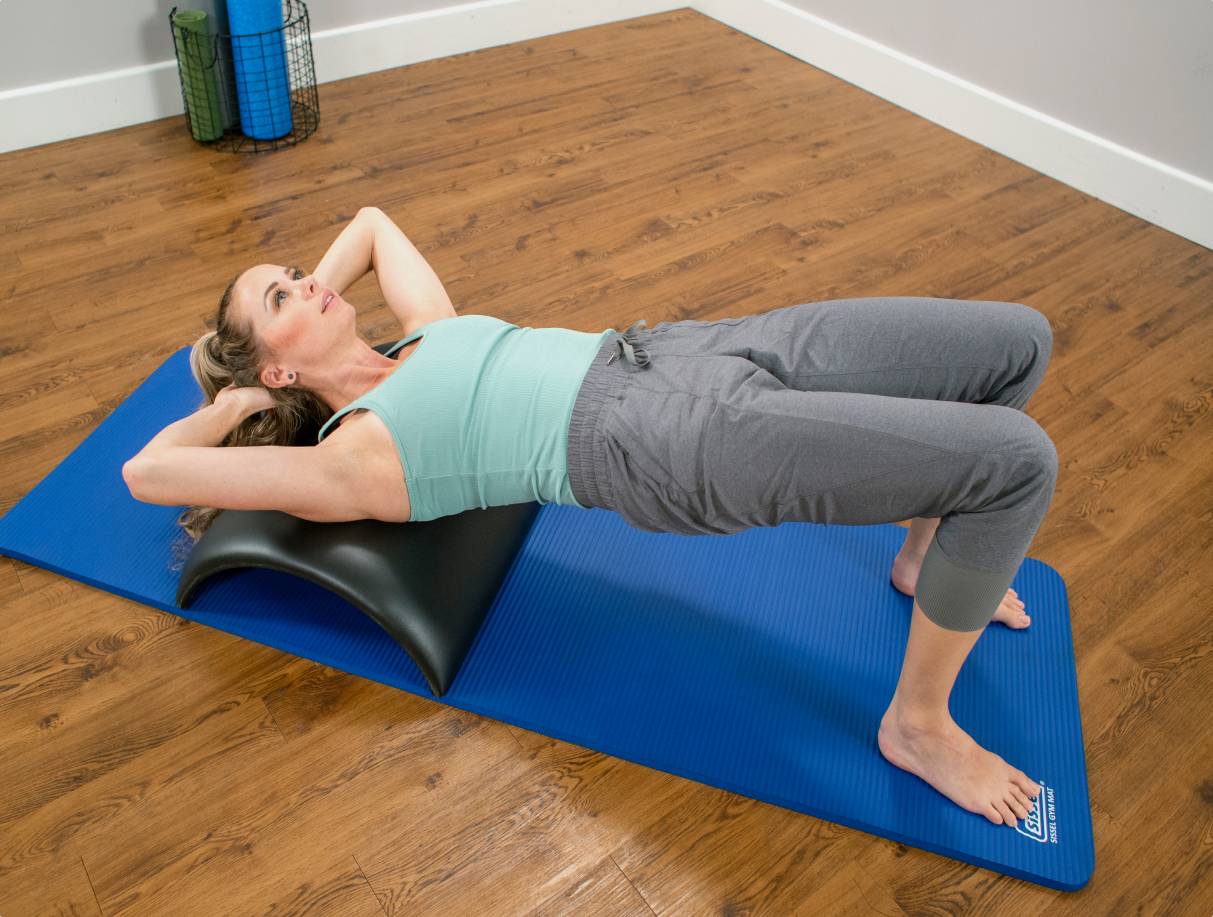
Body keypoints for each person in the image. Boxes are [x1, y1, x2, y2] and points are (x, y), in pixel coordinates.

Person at [123, 207, 1053, 829]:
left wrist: (289, 314)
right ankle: (918, 723)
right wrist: (240, 393)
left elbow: (368, 224)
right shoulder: (352, 456)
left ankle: (921, 552)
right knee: (1017, 464)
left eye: (293, 271)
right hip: (659, 442)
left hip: (668, 349)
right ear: (275, 373)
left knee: (1015, 344)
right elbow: (148, 471)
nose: (307, 281)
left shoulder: (423, 331)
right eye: (282, 296)